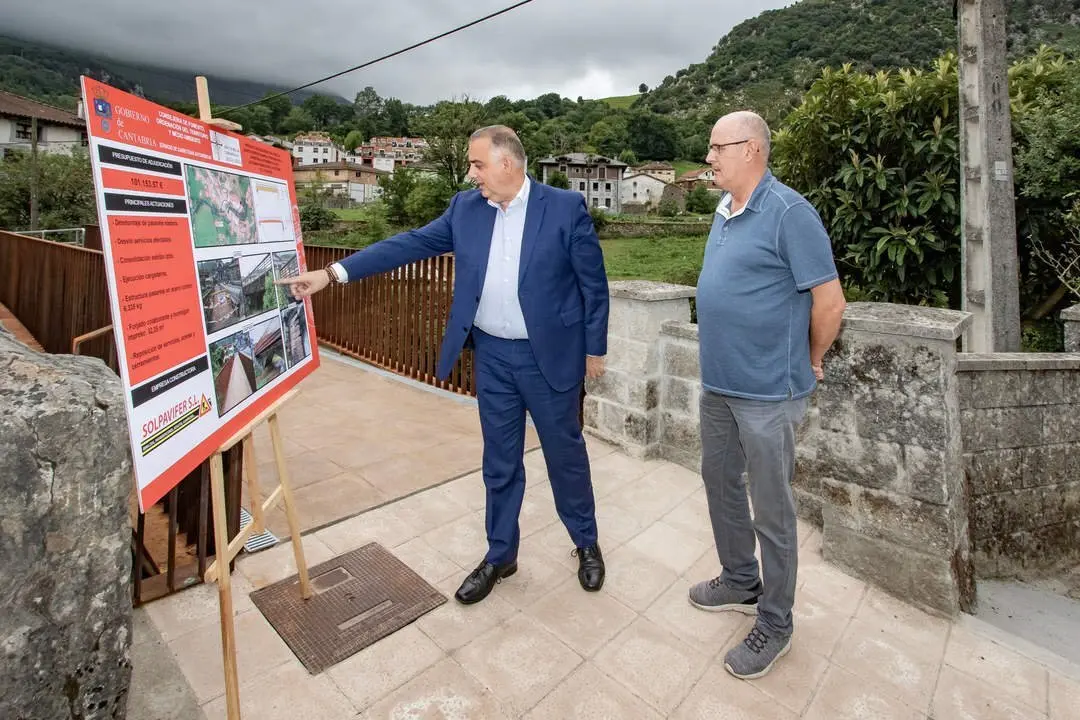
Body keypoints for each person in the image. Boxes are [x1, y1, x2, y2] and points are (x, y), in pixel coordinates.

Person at [277, 125, 609, 604]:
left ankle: (585, 541)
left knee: (565, 456)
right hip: (493, 356)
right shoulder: (465, 209)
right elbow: (407, 245)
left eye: (477, 164)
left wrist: (592, 350)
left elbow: (593, 286)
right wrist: (332, 273)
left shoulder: (563, 208)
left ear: (506, 164)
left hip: (549, 357)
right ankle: (501, 554)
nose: (471, 174)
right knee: (499, 462)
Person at [688, 111, 846, 679]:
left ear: (751, 148)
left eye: (717, 148)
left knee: (772, 509)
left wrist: (810, 359)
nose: (709, 158)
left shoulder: (789, 213)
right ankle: (739, 580)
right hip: (719, 384)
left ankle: (776, 623)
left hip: (766, 391)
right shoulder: (723, 210)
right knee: (718, 481)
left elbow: (830, 302)